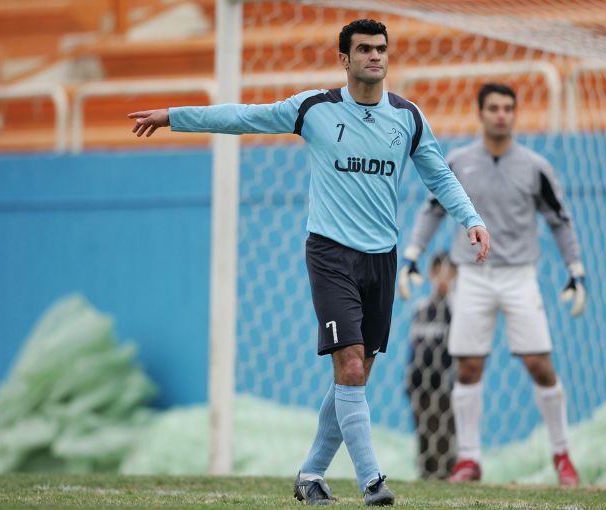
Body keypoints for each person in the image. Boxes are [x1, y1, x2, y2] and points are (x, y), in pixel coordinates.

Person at [128, 19, 490, 506]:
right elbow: (244, 117)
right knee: (351, 365)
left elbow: (440, 175)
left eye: (381, 49)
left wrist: (471, 219)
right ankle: (372, 482)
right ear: (344, 59)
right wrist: (175, 116)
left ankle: (311, 474)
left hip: (381, 258)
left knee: (354, 376)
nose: (375, 56)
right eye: (364, 49)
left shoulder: (408, 117)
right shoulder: (314, 109)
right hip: (330, 253)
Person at [398, 83, 585, 486]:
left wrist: (575, 268)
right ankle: (468, 459)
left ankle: (562, 455)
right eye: (494, 108)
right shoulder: (458, 162)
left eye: (507, 108)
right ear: (480, 113)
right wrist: (412, 253)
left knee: (539, 363)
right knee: (467, 366)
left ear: (514, 114)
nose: (501, 115)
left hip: (519, 274)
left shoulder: (535, 167)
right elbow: (432, 209)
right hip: (471, 275)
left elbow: (559, 218)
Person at [404, 251, 457, 480]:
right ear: (430, 274)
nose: (443, 278)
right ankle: (425, 479)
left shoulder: (456, 310)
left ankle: (447, 480)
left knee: (443, 443)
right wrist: (409, 380)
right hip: (419, 386)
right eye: (438, 272)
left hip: (444, 388)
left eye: (449, 273)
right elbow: (414, 348)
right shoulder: (421, 308)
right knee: (424, 441)